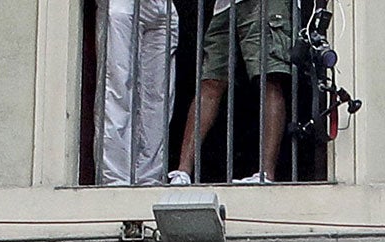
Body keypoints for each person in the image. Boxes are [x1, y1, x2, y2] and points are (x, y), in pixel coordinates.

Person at [170, 0, 300, 185]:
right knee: (210, 80)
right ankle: (182, 172)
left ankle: (265, 174)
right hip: (224, 6)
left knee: (268, 76)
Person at [97, 0, 181, 185]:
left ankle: (149, 178)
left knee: (159, 96)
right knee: (117, 87)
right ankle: (115, 179)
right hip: (123, 4)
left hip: (163, 7)